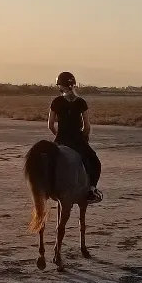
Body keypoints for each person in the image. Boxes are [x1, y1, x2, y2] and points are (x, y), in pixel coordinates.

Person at [48, 71, 103, 203]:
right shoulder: (81, 102)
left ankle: (44, 188)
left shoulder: (56, 102)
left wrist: (59, 135)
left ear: (60, 86)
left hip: (60, 139)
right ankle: (91, 190)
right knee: (95, 162)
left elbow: (50, 125)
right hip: (77, 140)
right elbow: (87, 126)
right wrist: (82, 137)